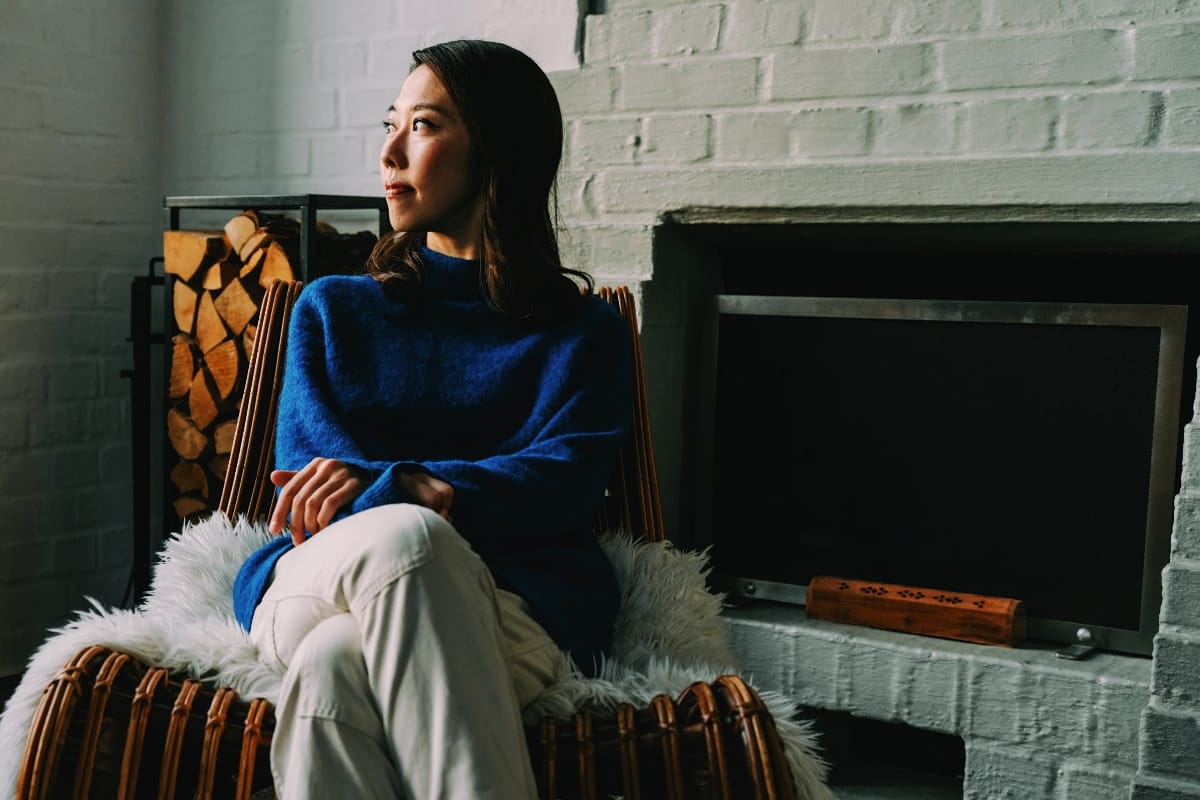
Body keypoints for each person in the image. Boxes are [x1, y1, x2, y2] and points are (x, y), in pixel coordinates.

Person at [230, 39, 634, 799]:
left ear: (496, 151)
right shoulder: (334, 311)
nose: (388, 151)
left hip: (517, 607)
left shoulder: (582, 333)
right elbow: (312, 491)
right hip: (314, 583)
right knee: (411, 538)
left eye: (421, 126)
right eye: (392, 123)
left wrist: (406, 483)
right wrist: (412, 493)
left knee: (336, 670)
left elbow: (565, 488)